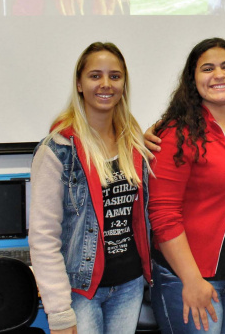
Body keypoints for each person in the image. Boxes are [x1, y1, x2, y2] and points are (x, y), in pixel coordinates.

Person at [29, 42, 153, 334]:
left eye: (115, 76)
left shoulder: (133, 143)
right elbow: (44, 236)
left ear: (124, 83)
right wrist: (59, 312)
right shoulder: (57, 149)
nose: (106, 84)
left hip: (129, 286)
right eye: (95, 76)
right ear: (79, 84)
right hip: (79, 291)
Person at [149, 38, 225, 334]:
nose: (219, 75)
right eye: (207, 69)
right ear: (193, 80)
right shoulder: (177, 132)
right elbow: (163, 215)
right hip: (191, 278)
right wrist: (191, 279)